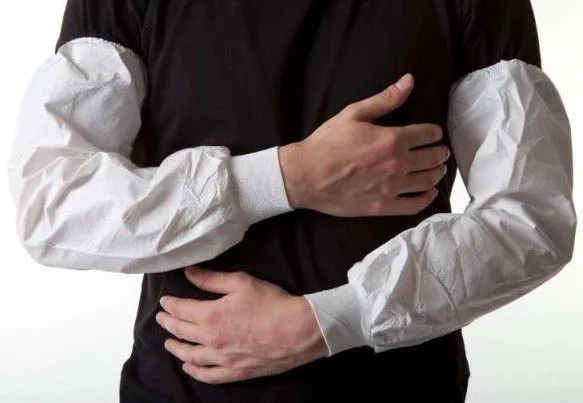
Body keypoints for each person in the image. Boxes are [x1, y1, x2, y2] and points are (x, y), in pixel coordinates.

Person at [7, 0, 576, 402]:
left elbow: (530, 216)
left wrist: (330, 320)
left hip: (396, 387)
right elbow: (53, 205)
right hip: (183, 388)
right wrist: (289, 177)